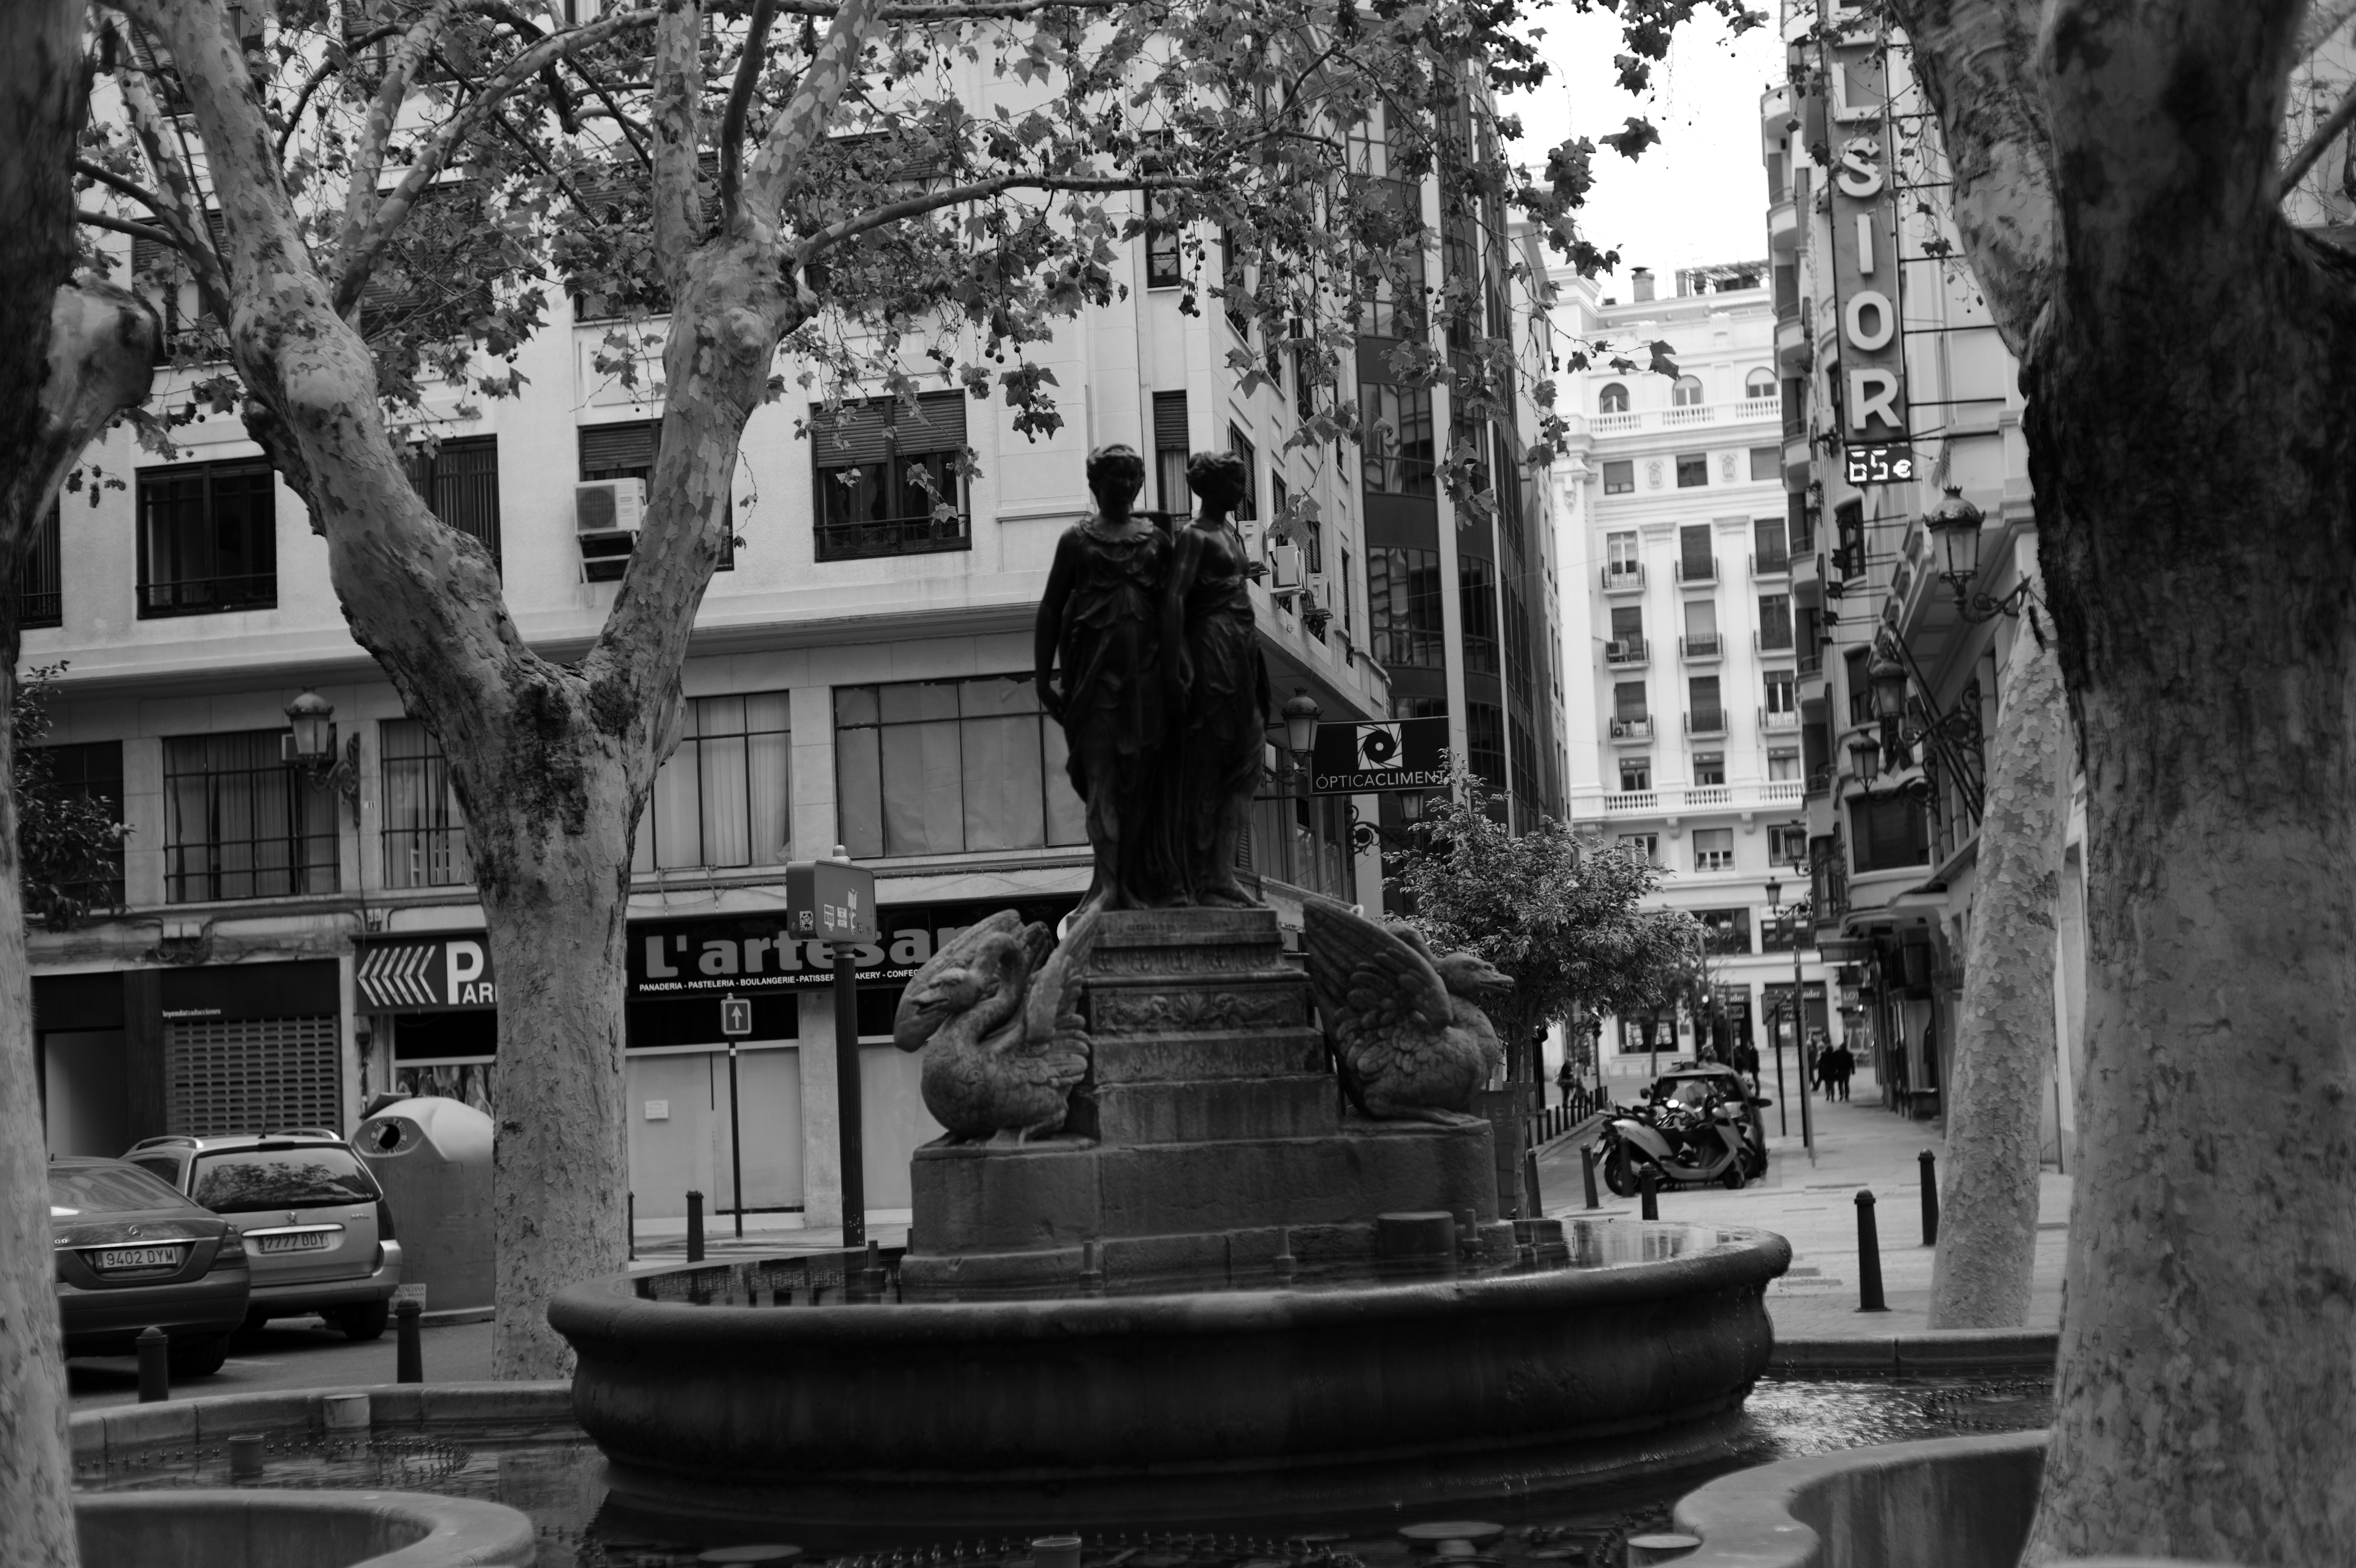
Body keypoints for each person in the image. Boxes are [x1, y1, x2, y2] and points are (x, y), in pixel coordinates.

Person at [1035, 443, 1178, 910]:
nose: (1122, 485)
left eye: (1130, 476)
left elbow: (1175, 612)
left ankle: (1135, 882)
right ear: (1094, 484)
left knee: (1141, 785)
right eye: (1113, 476)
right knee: (1101, 781)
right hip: (1093, 680)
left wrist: (1180, 675)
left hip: (1147, 679)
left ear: (1139, 483)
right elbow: (1051, 607)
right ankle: (1108, 886)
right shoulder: (1076, 541)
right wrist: (1043, 679)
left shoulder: (1157, 543)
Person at [1164, 447, 1271, 907]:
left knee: (1246, 765)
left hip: (1242, 651)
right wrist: (1178, 664)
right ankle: (1199, 877)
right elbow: (1173, 598)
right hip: (1212, 650)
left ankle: (1222, 873)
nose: (1241, 491)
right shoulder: (1194, 536)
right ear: (1211, 488)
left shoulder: (1229, 533)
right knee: (1209, 765)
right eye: (1234, 483)